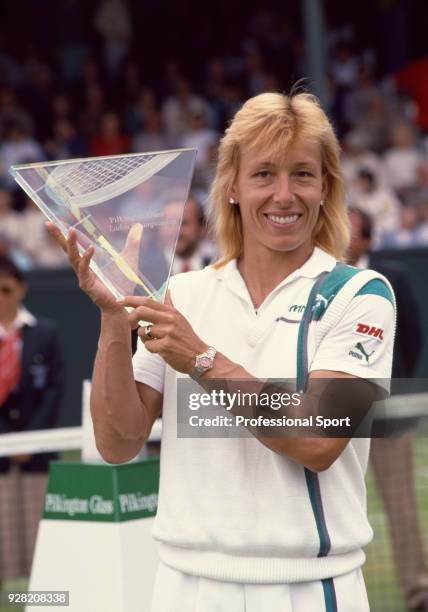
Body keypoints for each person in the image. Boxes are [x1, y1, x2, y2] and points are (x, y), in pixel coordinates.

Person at [48, 92, 396, 611]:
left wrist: (202, 361)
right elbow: (118, 443)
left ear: (326, 187)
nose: (284, 195)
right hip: (183, 585)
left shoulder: (360, 294)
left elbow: (319, 439)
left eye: (303, 174)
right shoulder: (183, 293)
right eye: (263, 175)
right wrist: (113, 319)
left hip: (308, 586)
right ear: (231, 186)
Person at [347, 207, 428, 611]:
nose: (341, 236)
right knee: (339, 505)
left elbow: (411, 339)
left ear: (366, 239)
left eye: (350, 229)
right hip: (336, 417)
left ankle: (418, 590)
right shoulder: (319, 279)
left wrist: (393, 396)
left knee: (401, 507)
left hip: (388, 419)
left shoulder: (391, 277)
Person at [0, 255, 63, 584]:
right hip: (1, 457)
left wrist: (31, 441)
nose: (1, 298)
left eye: (6, 289)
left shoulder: (45, 333)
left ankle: (42, 600)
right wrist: (7, 442)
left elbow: (53, 391)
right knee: (6, 545)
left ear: (21, 289)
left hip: (37, 456)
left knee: (40, 542)